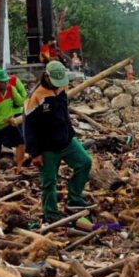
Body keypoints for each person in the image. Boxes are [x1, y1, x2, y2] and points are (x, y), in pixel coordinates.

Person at [24, 61, 93, 223]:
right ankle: (51, 213)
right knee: (49, 181)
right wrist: (34, 153)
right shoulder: (35, 96)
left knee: (85, 162)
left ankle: (74, 198)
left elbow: (64, 113)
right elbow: (29, 127)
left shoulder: (61, 89)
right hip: (46, 148)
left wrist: (70, 133)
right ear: (46, 76)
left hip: (66, 141)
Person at [0, 67, 25, 178]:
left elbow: (20, 101)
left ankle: (19, 168)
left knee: (21, 142)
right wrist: (5, 119)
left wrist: (28, 100)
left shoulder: (11, 89)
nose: (6, 83)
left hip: (9, 123)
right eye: (3, 82)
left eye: (6, 81)